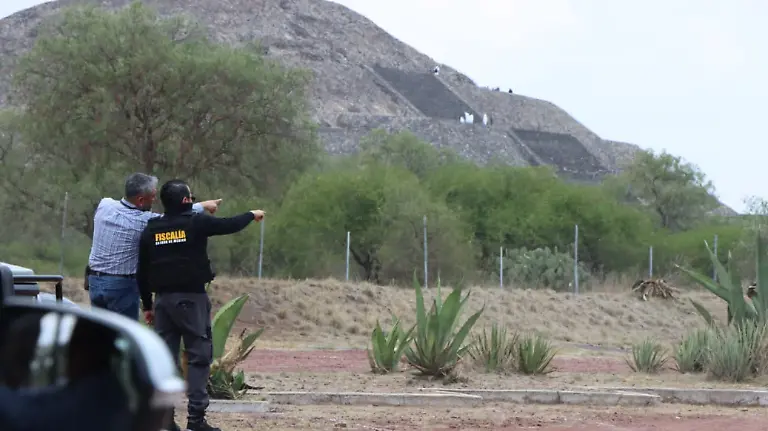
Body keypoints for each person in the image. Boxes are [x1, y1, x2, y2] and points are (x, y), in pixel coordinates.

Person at [136, 179, 265, 431]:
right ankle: (196, 420)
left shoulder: (152, 228)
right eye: (191, 197)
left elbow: (141, 271)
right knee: (198, 358)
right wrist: (252, 214)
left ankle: (165, 421)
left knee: (164, 361)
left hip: (162, 303)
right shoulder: (196, 222)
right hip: (191, 300)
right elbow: (229, 225)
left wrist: (148, 305)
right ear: (186, 200)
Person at [87, 173, 221, 321]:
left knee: (100, 334)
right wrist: (204, 205)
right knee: (122, 337)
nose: (154, 199)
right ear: (140, 200)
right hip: (121, 286)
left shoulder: (105, 205)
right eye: (152, 196)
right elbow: (175, 218)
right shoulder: (144, 222)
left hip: (95, 282)